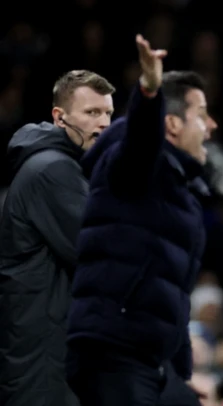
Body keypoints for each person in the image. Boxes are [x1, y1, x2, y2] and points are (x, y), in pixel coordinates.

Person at [66, 34, 216, 406]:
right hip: (113, 348)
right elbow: (140, 144)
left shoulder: (182, 192)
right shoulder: (130, 166)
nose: (211, 125)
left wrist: (181, 374)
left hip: (153, 360)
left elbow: (174, 294)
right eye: (201, 114)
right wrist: (149, 91)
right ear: (172, 125)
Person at [0, 70, 115, 406]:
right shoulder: (53, 170)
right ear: (59, 117)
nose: (104, 123)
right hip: (46, 363)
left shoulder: (62, 165)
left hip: (45, 355)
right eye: (92, 113)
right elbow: (100, 254)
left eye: (108, 112)